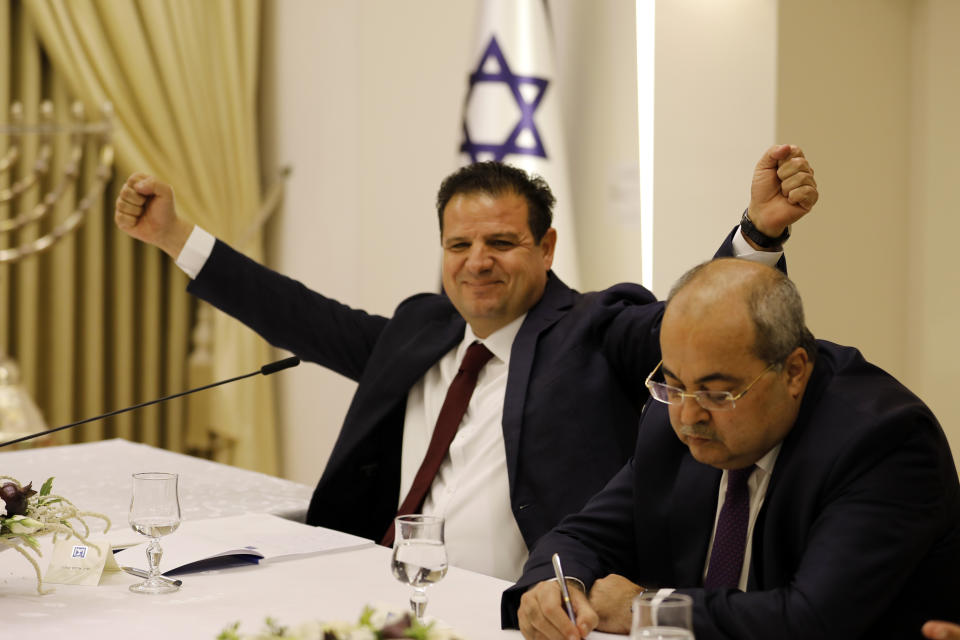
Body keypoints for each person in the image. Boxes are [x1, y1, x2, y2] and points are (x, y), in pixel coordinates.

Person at [114, 146, 818, 581]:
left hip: (516, 609)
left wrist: (757, 234)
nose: (477, 262)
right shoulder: (423, 327)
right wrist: (175, 236)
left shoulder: (595, 328)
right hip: (375, 585)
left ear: (546, 248)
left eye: (503, 242)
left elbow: (695, 324)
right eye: (459, 245)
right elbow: (303, 316)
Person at [505, 258, 960, 638]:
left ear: (794, 371)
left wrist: (649, 610)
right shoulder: (678, 416)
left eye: (717, 393)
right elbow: (582, 535)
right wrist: (555, 585)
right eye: (674, 384)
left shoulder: (883, 441)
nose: (687, 416)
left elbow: (812, 621)